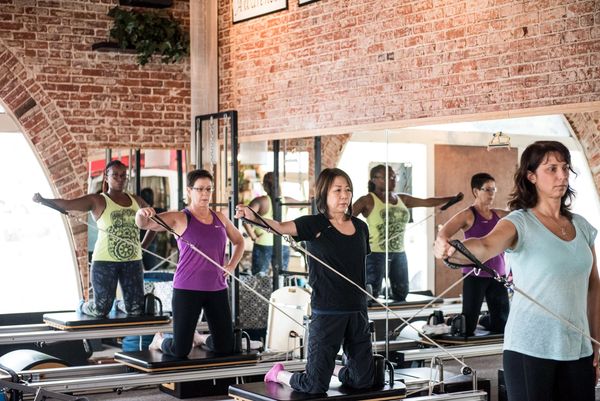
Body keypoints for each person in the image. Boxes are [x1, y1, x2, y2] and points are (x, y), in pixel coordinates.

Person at [434, 141, 599, 401]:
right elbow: (485, 245)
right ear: (531, 176)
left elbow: (593, 287)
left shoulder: (582, 226)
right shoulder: (518, 222)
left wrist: (595, 341)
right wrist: (450, 249)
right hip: (529, 347)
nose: (562, 175)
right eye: (552, 169)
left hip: (578, 348)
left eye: (565, 168)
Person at [236, 168, 374, 394]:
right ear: (324, 193)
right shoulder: (314, 224)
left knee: (363, 381)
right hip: (328, 311)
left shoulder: (360, 227)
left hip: (357, 310)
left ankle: (332, 369)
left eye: (347, 190)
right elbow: (280, 227)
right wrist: (253, 217)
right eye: (337, 190)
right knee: (314, 386)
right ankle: (279, 374)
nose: (344, 195)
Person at [136, 169, 244, 357]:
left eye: (208, 189)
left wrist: (232, 265)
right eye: (200, 189)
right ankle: (160, 341)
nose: (205, 194)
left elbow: (239, 241)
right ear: (189, 191)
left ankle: (200, 338)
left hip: (217, 288)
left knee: (226, 347)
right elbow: (144, 224)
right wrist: (140, 213)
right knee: (180, 350)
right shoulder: (179, 218)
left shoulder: (220, 217)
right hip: (187, 289)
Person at [33, 160, 149, 317]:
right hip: (105, 262)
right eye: (115, 175)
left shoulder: (137, 201)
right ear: (106, 177)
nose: (120, 179)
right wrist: (44, 200)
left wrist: (142, 247)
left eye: (123, 175)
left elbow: (155, 223)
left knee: (136, 309)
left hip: (133, 262)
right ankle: (82, 305)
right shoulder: (98, 200)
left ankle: (121, 304)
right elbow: (68, 204)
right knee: (101, 309)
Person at [352, 164, 463, 301]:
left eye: (394, 176)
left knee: (401, 294)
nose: (392, 180)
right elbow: (346, 220)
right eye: (387, 177)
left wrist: (451, 199)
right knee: (371, 294)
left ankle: (387, 295)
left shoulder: (401, 199)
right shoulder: (367, 200)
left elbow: (427, 202)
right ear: (374, 179)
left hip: (399, 253)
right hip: (375, 253)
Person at [436, 173, 510, 336]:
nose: (491, 194)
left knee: (502, 325)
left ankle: (483, 320)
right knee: (467, 327)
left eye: (494, 189)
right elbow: (444, 234)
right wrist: (443, 247)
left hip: (498, 275)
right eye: (487, 190)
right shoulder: (468, 215)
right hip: (474, 276)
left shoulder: (500, 215)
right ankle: (450, 320)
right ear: (476, 191)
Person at [242, 172, 292, 275]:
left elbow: (245, 218)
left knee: (261, 278)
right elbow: (305, 204)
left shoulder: (261, 201)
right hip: (283, 243)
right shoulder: (285, 200)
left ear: (264, 185)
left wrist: (253, 236)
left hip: (263, 243)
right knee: (281, 278)